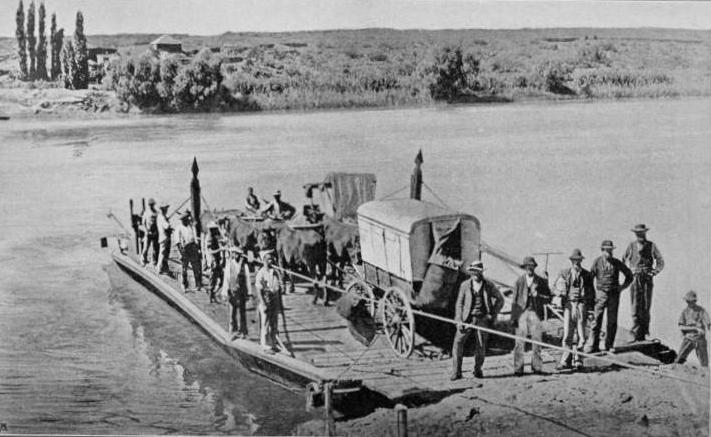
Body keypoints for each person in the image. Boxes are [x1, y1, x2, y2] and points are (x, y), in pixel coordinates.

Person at [450, 260, 504, 381]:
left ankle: (477, 370)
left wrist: (493, 313)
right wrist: (458, 319)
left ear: (481, 272)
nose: (474, 273)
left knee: (481, 345)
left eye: (477, 271)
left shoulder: (489, 285)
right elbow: (459, 303)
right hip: (466, 319)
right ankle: (456, 372)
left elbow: (500, 299)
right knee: (458, 343)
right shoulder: (465, 285)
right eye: (472, 271)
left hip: (482, 319)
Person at [584, 240, 634, 353]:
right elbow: (589, 278)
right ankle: (593, 346)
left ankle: (609, 345)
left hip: (614, 295)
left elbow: (629, 275)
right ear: (602, 251)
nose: (609, 253)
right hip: (600, 294)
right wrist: (591, 293)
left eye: (610, 250)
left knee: (612, 321)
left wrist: (622, 287)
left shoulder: (617, 262)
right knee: (596, 320)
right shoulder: (597, 262)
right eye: (607, 250)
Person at [553, 249, 595, 370]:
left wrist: (591, 310)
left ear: (581, 261)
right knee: (567, 334)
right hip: (568, 306)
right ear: (571, 261)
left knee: (581, 335)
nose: (576, 263)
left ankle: (579, 360)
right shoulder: (564, 273)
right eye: (574, 260)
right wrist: (563, 294)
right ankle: (566, 360)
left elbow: (592, 294)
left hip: (582, 306)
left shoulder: (587, 275)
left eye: (578, 260)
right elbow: (554, 289)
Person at [623, 224, 665, 342]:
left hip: (647, 278)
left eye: (641, 233)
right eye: (637, 233)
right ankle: (635, 334)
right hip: (635, 278)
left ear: (645, 233)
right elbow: (623, 260)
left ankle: (643, 333)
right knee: (635, 305)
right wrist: (628, 272)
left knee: (646, 306)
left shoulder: (651, 246)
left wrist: (654, 272)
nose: (639, 235)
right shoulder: (631, 246)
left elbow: (660, 261)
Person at [511, 256, 551, 376]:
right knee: (519, 343)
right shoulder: (519, 281)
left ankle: (537, 367)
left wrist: (538, 295)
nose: (530, 268)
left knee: (537, 342)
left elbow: (549, 298)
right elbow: (514, 300)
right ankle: (518, 369)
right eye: (527, 266)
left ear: (534, 267)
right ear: (524, 268)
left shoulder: (541, 281)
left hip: (535, 313)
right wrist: (514, 317)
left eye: (532, 266)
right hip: (522, 314)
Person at [255, 251, 282, 354]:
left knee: (274, 323)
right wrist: (263, 303)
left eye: (271, 259)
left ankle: (273, 343)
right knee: (265, 324)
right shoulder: (260, 273)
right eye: (268, 259)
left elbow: (277, 286)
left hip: (274, 299)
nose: (270, 261)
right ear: (263, 261)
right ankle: (266, 346)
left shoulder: (274, 271)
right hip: (265, 300)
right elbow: (258, 290)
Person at [675, 290, 710, 367]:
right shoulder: (684, 312)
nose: (690, 303)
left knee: (704, 364)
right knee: (679, 360)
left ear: (695, 301)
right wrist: (695, 328)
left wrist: (707, 326)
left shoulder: (701, 310)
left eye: (692, 301)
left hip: (699, 338)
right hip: (688, 338)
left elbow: (708, 322)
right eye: (688, 301)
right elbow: (681, 326)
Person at [225, 247, 250, 340]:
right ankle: (233, 331)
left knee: (242, 312)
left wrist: (249, 293)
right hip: (232, 292)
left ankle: (243, 331)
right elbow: (226, 279)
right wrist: (225, 292)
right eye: (234, 254)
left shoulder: (244, 266)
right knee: (232, 312)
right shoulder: (229, 265)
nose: (236, 256)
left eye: (238, 254)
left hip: (242, 291)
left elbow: (247, 279)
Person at [177, 212, 202, 292]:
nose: (186, 220)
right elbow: (178, 242)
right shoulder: (179, 228)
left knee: (195, 267)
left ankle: (198, 285)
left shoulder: (191, 227)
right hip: (184, 249)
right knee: (184, 268)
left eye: (186, 219)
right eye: (184, 219)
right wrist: (181, 252)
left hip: (193, 248)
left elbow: (195, 238)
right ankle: (184, 285)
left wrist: (198, 248)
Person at [205, 221, 224, 303]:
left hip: (217, 261)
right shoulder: (210, 238)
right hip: (213, 262)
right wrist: (221, 249)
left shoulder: (213, 237)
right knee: (213, 280)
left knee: (221, 280)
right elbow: (211, 251)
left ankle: (213, 294)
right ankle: (211, 297)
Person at [141, 198, 159, 267]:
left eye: (152, 204)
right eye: (150, 205)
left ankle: (154, 262)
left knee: (155, 249)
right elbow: (143, 223)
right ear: (149, 205)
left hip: (155, 233)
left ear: (154, 204)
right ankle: (143, 260)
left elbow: (158, 223)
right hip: (148, 233)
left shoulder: (157, 213)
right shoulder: (146, 213)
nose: (151, 206)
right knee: (145, 248)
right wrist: (146, 231)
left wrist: (156, 232)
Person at [156, 202, 173, 275]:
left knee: (165, 254)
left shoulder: (162, 216)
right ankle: (159, 268)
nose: (167, 210)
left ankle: (165, 268)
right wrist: (168, 223)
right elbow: (167, 226)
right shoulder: (162, 217)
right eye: (166, 208)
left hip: (164, 237)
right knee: (163, 254)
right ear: (163, 209)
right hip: (164, 237)